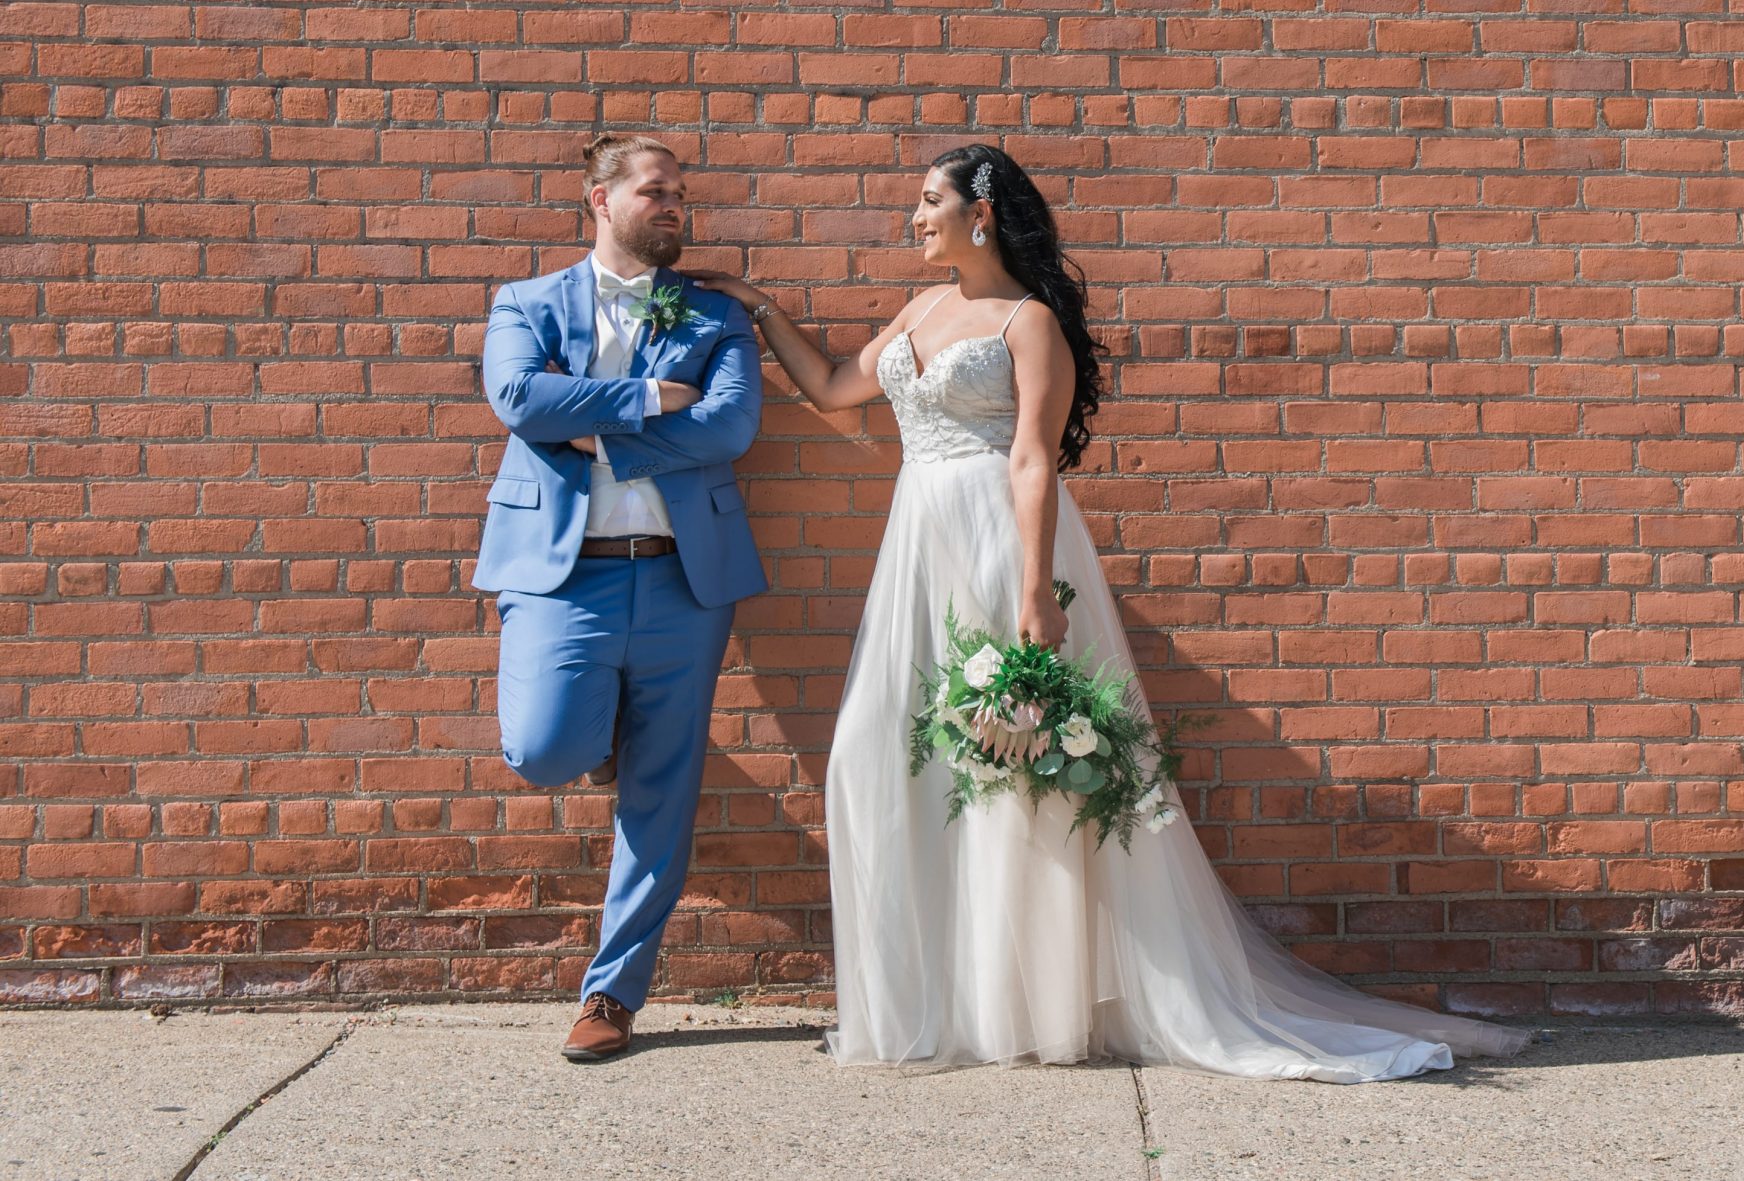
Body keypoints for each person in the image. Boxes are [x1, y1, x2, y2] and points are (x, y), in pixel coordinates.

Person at [694, 142, 1524, 1081]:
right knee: (876, 755)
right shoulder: (922, 308)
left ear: (982, 213)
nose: (914, 218)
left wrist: (1036, 588)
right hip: (917, 547)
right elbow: (842, 386)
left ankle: (1028, 1010)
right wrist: (756, 306)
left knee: (1017, 774)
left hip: (1000, 542)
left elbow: (1033, 459)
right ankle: (944, 998)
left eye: (930, 201)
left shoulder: (1027, 320)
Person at [472, 134, 766, 1063]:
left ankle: (613, 992)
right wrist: (647, 400)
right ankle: (596, 731)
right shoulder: (525, 304)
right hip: (564, 576)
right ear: (599, 199)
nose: (674, 204)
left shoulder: (714, 314)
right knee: (542, 746)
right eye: (655, 190)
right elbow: (522, 398)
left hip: (686, 578)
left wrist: (602, 436)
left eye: (681, 192)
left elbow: (731, 424)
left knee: (662, 793)